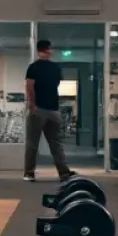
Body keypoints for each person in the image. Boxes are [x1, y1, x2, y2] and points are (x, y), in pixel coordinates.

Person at [24, 38, 75, 182]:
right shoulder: (53, 68)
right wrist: (33, 104)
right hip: (50, 109)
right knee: (53, 143)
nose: (50, 51)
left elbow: (30, 86)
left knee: (35, 143)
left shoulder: (35, 68)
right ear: (47, 50)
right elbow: (53, 85)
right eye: (49, 49)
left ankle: (30, 173)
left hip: (42, 109)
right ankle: (62, 172)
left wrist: (32, 104)